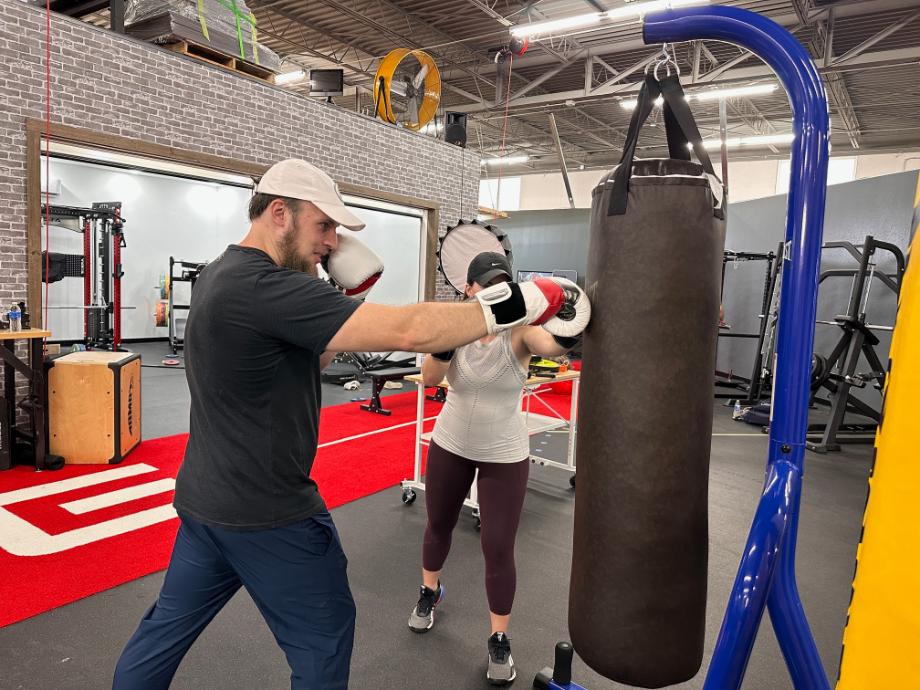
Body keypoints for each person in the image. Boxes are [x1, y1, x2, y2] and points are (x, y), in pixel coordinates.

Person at [112, 159, 579, 690]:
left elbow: (300, 363)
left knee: (162, 634)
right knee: (325, 638)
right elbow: (410, 330)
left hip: (206, 505)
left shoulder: (223, 272)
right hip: (271, 514)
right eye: (324, 226)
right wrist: (527, 299)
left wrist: (340, 299)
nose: (333, 242)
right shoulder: (267, 287)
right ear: (280, 214)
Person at [407, 251, 589, 686]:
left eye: (500, 282)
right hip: (451, 442)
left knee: (498, 545)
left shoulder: (521, 332)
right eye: (485, 283)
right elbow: (431, 378)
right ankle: (429, 591)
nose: (493, 289)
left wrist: (575, 310)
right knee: (438, 526)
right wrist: (446, 338)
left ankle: (499, 638)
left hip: (504, 452)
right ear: (470, 289)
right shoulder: (456, 328)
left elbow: (557, 344)